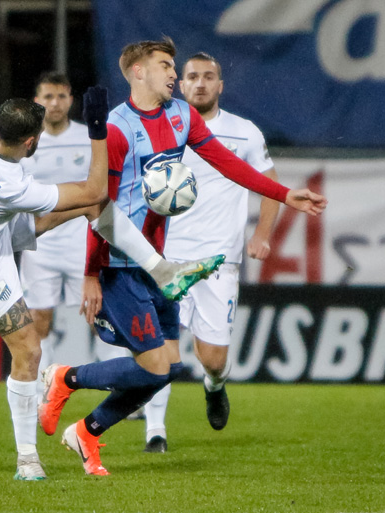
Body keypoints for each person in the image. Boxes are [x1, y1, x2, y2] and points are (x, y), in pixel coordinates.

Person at [38, 37, 327, 475]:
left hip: (160, 262)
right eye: (165, 66)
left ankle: (85, 432)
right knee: (155, 368)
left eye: (174, 66)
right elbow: (100, 206)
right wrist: (91, 273)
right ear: (138, 72)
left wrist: (285, 194)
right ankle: (65, 378)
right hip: (120, 265)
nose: (174, 73)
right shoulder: (117, 128)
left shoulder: (181, 116)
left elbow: (228, 163)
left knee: (170, 367)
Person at [0, 86, 222, 481]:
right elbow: (95, 188)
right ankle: (27, 459)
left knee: (92, 207)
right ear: (31, 142)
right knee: (29, 349)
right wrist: (98, 130)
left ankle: (162, 270)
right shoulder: (11, 184)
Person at [141, 52, 283, 453]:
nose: (200, 83)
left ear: (220, 85)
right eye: (192, 76)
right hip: (166, 258)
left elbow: (271, 185)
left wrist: (262, 235)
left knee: (214, 358)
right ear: (181, 84)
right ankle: (155, 432)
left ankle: (214, 385)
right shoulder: (160, 128)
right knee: (162, 350)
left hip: (220, 260)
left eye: (208, 77)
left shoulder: (244, 133)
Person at [17, 72, 94, 400]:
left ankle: (120, 389)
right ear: (37, 101)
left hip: (81, 242)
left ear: (71, 100)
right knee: (39, 318)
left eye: (61, 96)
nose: (55, 103)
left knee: (99, 317)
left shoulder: (88, 138)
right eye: (48, 97)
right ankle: (40, 391)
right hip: (40, 245)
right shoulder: (26, 141)